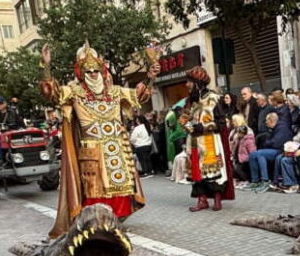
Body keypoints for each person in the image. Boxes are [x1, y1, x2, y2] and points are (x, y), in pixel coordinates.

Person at [40, 42, 154, 236]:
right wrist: (46, 68)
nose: (93, 74)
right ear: (81, 73)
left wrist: (151, 78)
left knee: (120, 188)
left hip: (117, 147)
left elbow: (139, 95)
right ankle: (96, 221)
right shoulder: (74, 92)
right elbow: (52, 93)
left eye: (96, 70)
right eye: (88, 70)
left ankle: (116, 219)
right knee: (95, 188)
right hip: (92, 148)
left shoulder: (115, 92)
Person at [182, 67, 234, 211]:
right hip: (193, 142)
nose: (186, 84)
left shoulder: (213, 98)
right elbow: (183, 120)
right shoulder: (190, 101)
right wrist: (186, 125)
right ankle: (202, 200)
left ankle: (217, 199)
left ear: (197, 82)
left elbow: (221, 123)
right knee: (196, 171)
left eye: (189, 81)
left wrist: (204, 127)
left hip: (210, 141)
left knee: (213, 170)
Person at [248, 112, 292, 190]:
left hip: (281, 150)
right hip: (275, 149)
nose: (265, 122)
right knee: (252, 154)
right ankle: (255, 181)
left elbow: (276, 143)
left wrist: (268, 143)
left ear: (271, 120)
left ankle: (265, 180)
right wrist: (268, 143)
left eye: (266, 120)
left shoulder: (282, 128)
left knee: (260, 154)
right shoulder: (275, 128)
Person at [228, 114, 256, 183]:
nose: (232, 123)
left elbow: (251, 147)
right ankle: (238, 179)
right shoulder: (233, 131)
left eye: (234, 121)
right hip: (235, 154)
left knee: (237, 167)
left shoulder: (247, 130)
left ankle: (245, 180)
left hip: (244, 156)